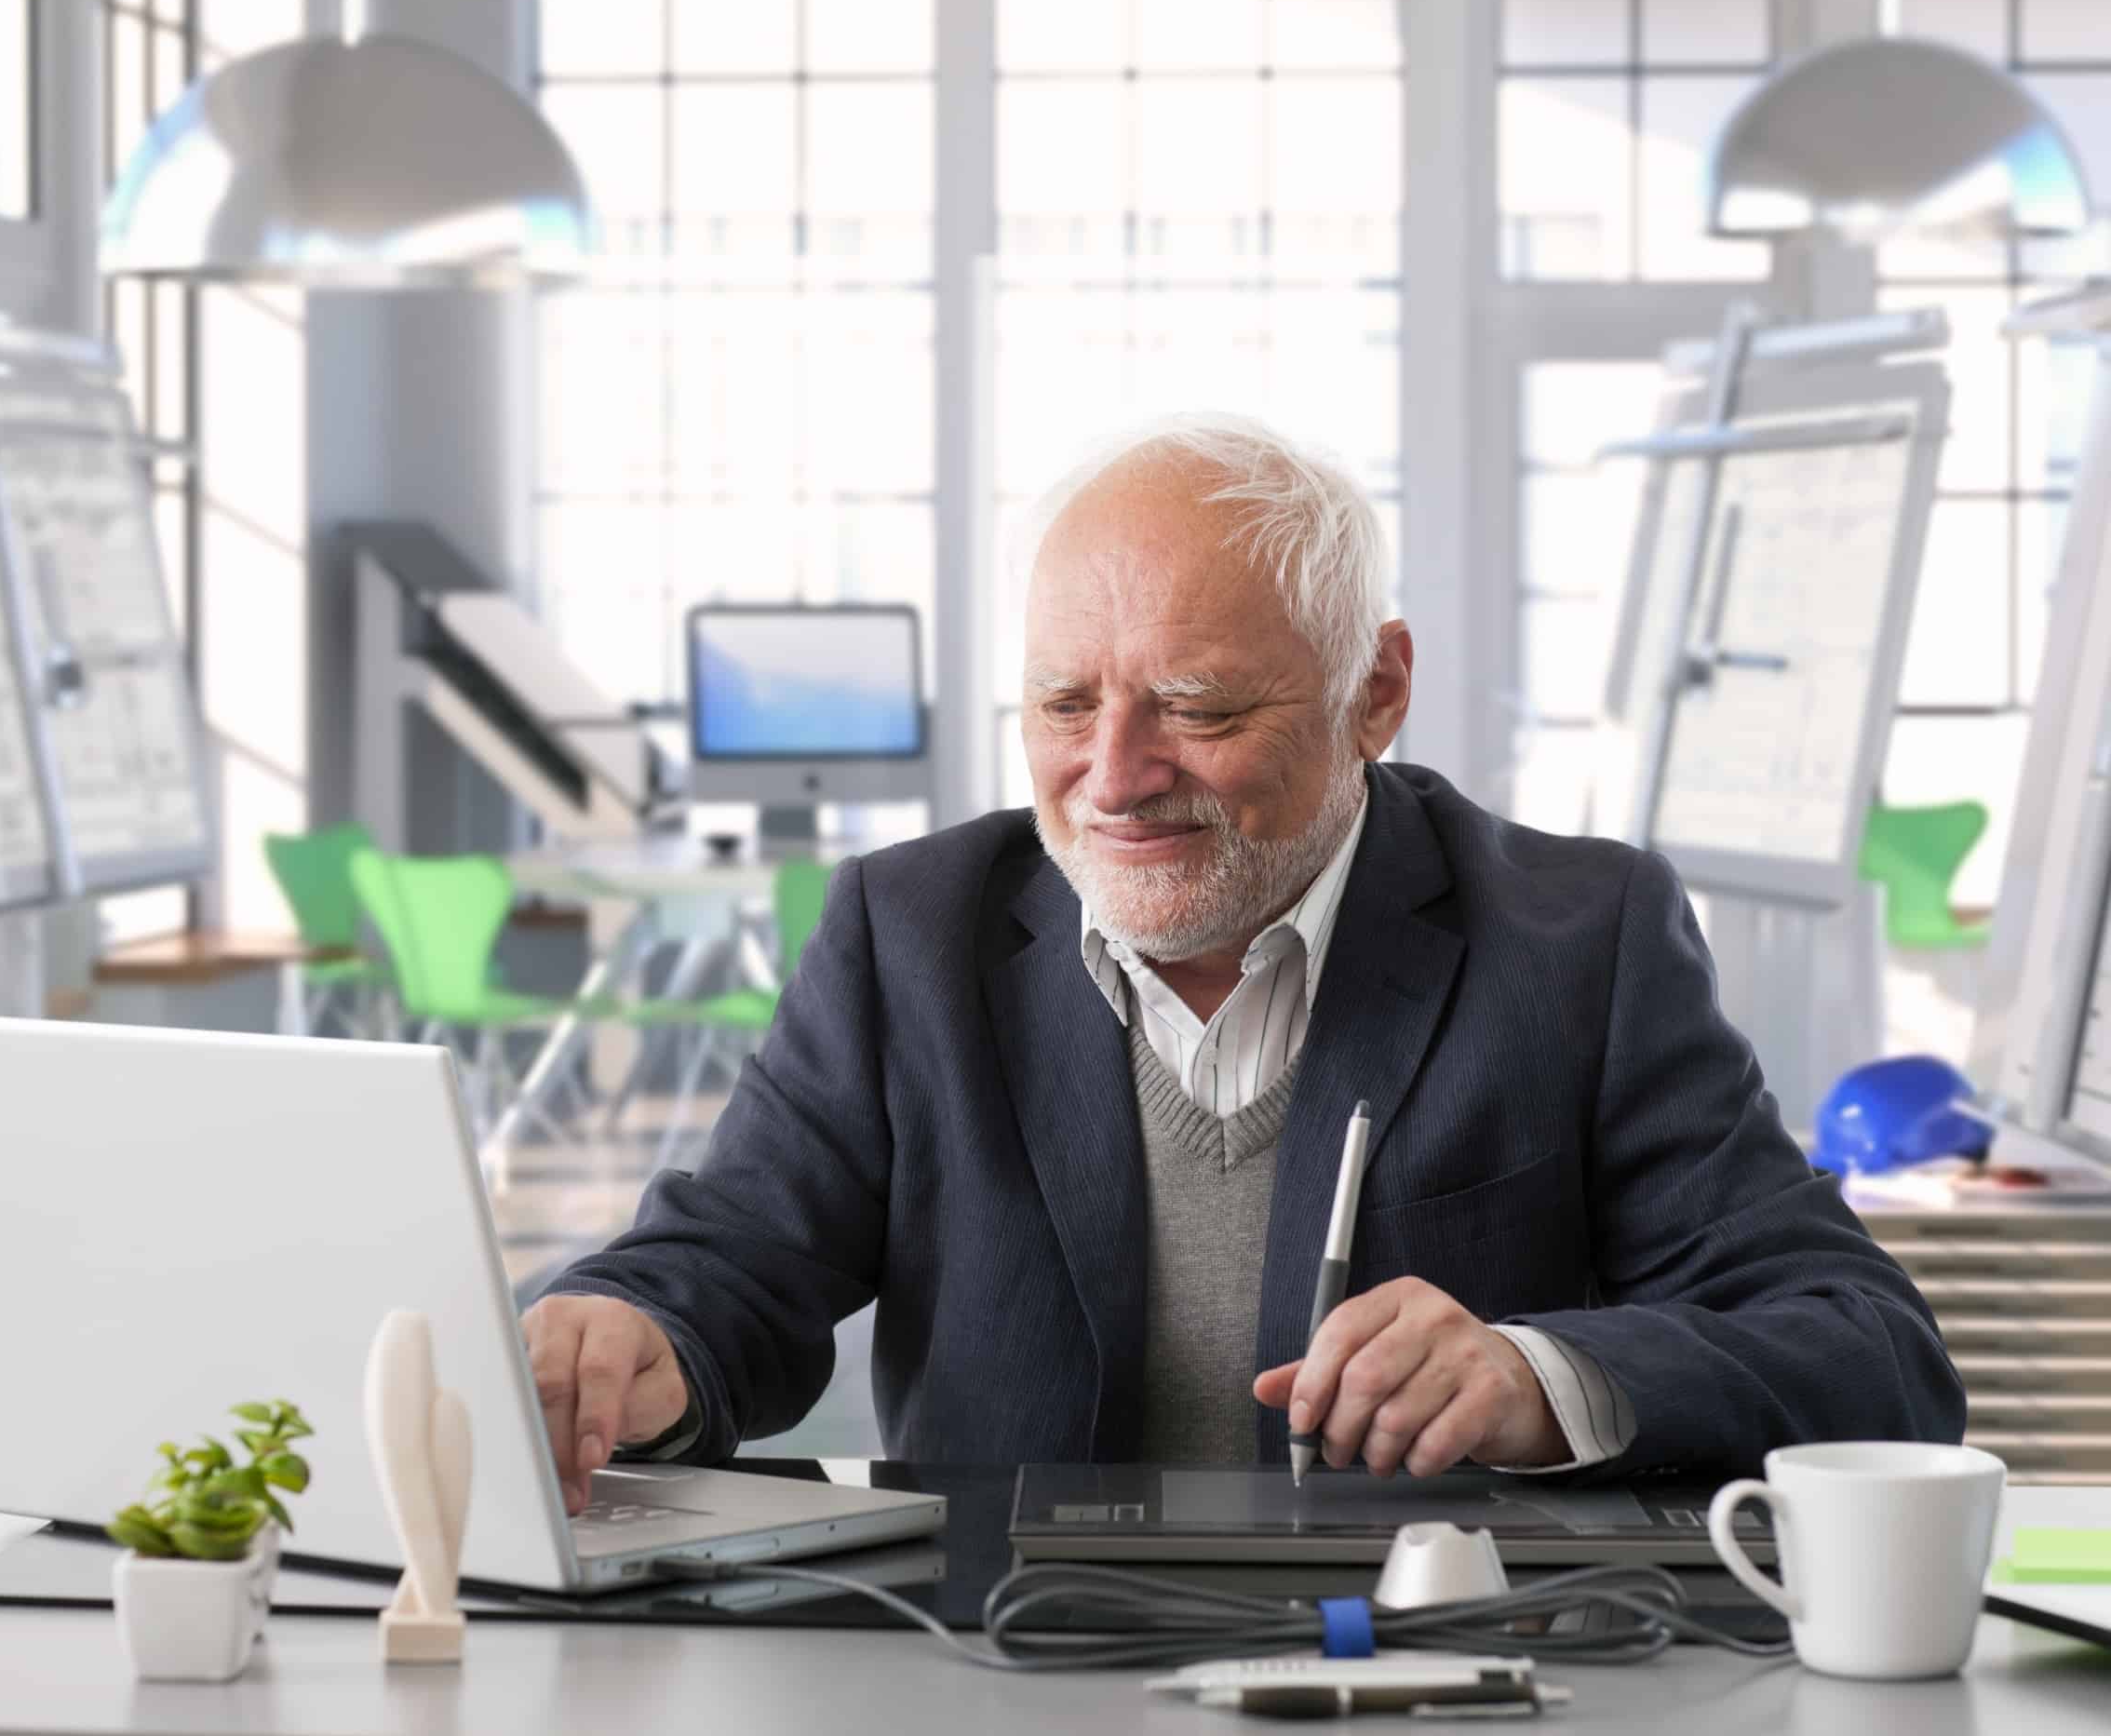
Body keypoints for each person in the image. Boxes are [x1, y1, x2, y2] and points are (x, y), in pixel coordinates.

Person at [524, 414, 1964, 1514]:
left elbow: (1873, 1355)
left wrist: (1541, 1374)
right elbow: (726, 1266)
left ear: (1375, 691)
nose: (1114, 775)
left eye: (1198, 707)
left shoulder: (1578, 944)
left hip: (1423, 1714)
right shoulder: (912, 932)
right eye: (1064, 701)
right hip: (994, 1699)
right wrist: (630, 1336)